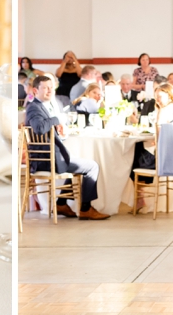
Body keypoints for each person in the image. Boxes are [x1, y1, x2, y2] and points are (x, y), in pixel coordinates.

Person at [23, 74, 110, 220]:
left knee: (77, 165)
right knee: (92, 167)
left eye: (51, 88)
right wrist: (57, 120)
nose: (49, 91)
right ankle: (86, 209)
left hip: (51, 156)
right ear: (35, 91)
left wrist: (59, 132)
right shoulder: (34, 108)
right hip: (45, 160)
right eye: (45, 88)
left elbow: (47, 131)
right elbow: (38, 128)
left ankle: (62, 203)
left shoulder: (44, 106)